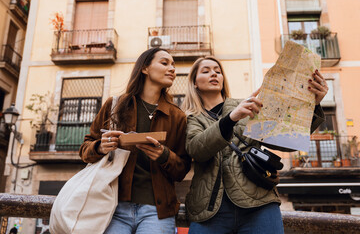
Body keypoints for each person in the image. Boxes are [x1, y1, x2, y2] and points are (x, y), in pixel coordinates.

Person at [181, 56, 328, 234]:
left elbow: (285, 142)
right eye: (206, 71)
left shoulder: (246, 105)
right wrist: (231, 119)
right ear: (194, 83)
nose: (214, 74)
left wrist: (313, 104)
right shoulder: (190, 117)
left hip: (259, 204)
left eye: (218, 71)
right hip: (208, 211)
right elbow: (197, 149)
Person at [79, 47, 191, 234]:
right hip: (113, 208)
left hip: (157, 212)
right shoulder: (114, 105)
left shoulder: (177, 116)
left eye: (173, 65)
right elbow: (85, 150)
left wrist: (163, 155)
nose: (172, 69)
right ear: (145, 68)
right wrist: (100, 146)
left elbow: (182, 169)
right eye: (165, 63)